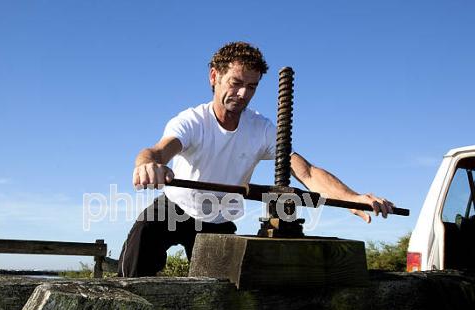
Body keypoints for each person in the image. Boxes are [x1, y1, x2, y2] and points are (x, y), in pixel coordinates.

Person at [117, 41, 394, 277]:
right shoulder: (192, 121)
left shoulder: (260, 129)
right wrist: (147, 165)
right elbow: (158, 151)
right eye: (236, 83)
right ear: (214, 77)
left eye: (251, 87)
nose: (243, 94)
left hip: (218, 221)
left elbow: (306, 172)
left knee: (225, 294)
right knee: (134, 262)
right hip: (174, 208)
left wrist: (353, 198)